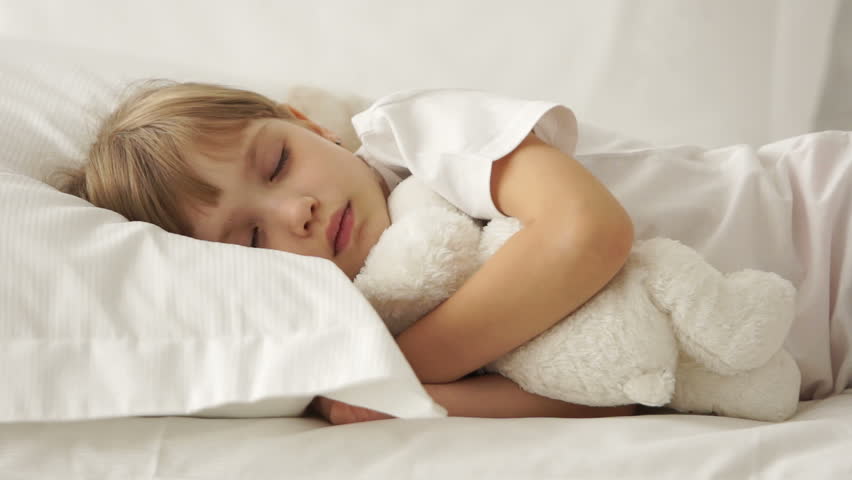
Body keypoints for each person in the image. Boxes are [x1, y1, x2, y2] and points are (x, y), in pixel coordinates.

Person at [57, 81, 851, 425]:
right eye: (251, 238)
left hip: (827, 213)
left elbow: (587, 234)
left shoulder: (416, 136)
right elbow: (619, 393)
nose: (293, 213)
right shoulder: (390, 303)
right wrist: (380, 397)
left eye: (276, 164)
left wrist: (403, 367)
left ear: (308, 122)